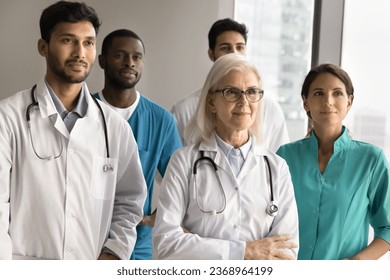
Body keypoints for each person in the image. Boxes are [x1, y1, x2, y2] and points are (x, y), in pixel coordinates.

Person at [0, 1, 147, 260]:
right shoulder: (8, 118)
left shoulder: (114, 128)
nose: (80, 52)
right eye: (68, 40)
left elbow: (129, 202)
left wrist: (113, 253)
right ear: (43, 47)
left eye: (88, 42)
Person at [153, 53, 299, 260]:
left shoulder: (277, 168)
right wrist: (246, 251)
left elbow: (286, 252)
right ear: (211, 101)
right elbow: (166, 243)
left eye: (251, 92)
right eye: (232, 92)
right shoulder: (184, 161)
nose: (244, 101)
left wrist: (197, 245)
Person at [276, 63, 390, 260]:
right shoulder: (284, 156)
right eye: (319, 93)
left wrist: (358, 263)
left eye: (337, 93)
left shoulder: (371, 160)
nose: (328, 101)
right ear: (305, 102)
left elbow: (387, 227)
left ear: (349, 101)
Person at [95, 29, 182, 260]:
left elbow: (183, 185)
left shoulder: (161, 120)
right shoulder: (83, 111)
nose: (129, 63)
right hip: (85, 240)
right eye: (120, 55)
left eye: (137, 57)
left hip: (136, 248)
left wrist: (153, 218)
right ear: (101, 60)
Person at [170, 18, 289, 151]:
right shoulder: (183, 110)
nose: (234, 53)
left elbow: (278, 159)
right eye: (225, 48)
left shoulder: (271, 109)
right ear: (211, 54)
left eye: (240, 47)